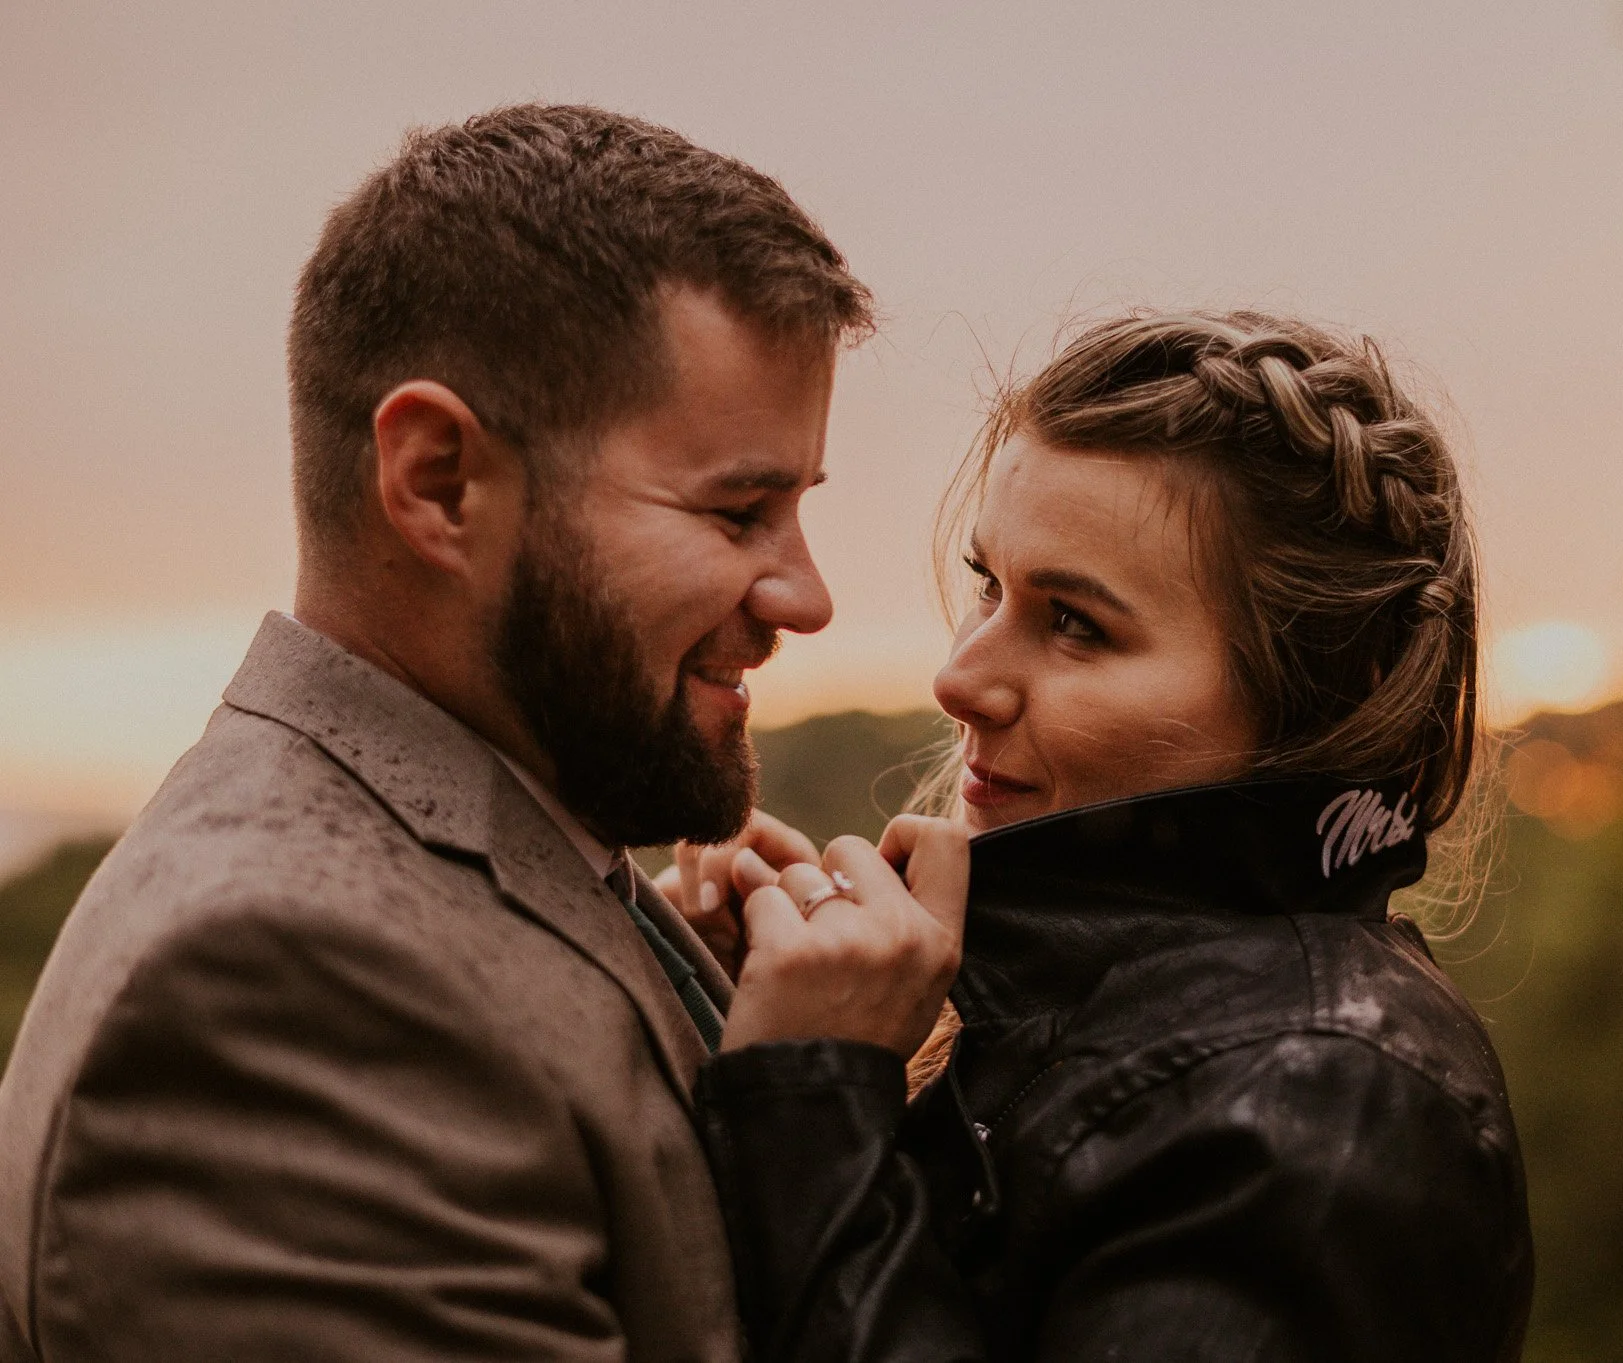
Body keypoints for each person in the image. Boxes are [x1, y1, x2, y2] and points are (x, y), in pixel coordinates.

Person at [0, 105, 966, 1362]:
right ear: (438, 482)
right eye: (739, 511)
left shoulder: (517, 853)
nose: (805, 594)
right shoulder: (282, 989)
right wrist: (816, 1104)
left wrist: (719, 1030)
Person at [679, 311, 1535, 1361]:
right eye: (989, 586)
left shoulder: (1316, 1102)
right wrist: (743, 1015)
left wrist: (809, 1102)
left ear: (1310, 701)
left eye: (1074, 623)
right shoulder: (1082, 1008)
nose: (958, 675)